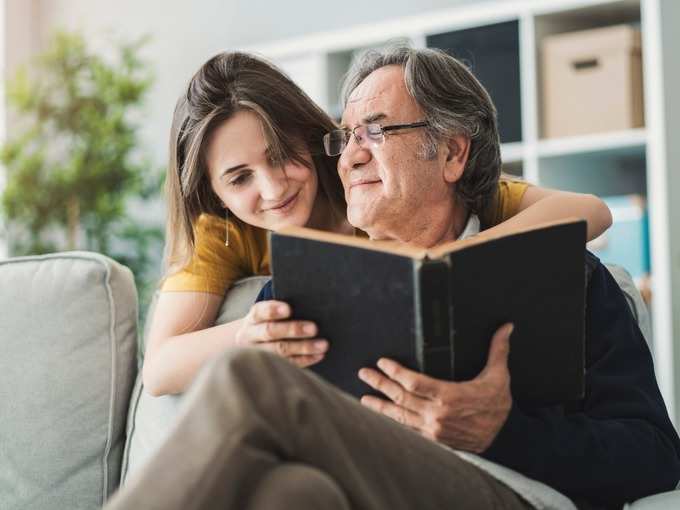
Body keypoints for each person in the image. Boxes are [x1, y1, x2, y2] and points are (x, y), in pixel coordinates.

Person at [106, 45, 680, 510]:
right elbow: (164, 367)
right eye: (345, 137)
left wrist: (498, 431)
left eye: (375, 133)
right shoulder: (303, 286)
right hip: (374, 487)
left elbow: (655, 453)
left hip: (510, 489)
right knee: (292, 494)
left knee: (250, 380)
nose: (349, 157)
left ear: (452, 153)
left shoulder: (570, 276)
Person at [142, 51, 613, 397]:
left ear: (310, 139)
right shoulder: (226, 232)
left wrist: (455, 263)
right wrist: (248, 336)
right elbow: (160, 368)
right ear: (215, 195)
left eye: (282, 156)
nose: (272, 189)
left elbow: (591, 210)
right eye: (240, 178)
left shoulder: (377, 181)